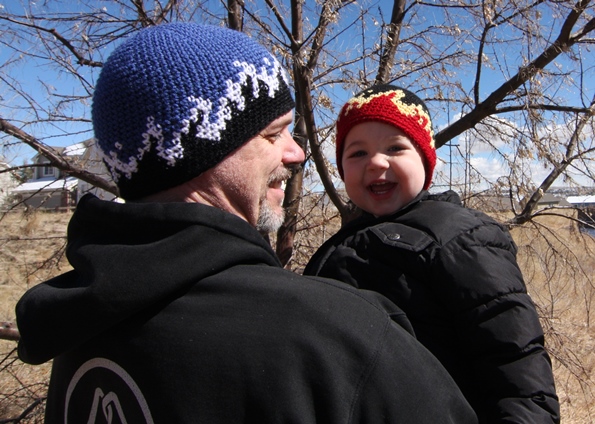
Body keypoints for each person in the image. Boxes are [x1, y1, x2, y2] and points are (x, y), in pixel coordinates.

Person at [15, 24, 477, 423]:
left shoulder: (82, 327)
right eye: (274, 133)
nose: (296, 154)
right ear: (204, 153)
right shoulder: (334, 339)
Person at [304, 84, 560, 423]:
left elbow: (517, 371)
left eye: (395, 148)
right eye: (357, 153)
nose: (376, 162)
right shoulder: (346, 242)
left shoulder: (461, 238)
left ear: (426, 163)